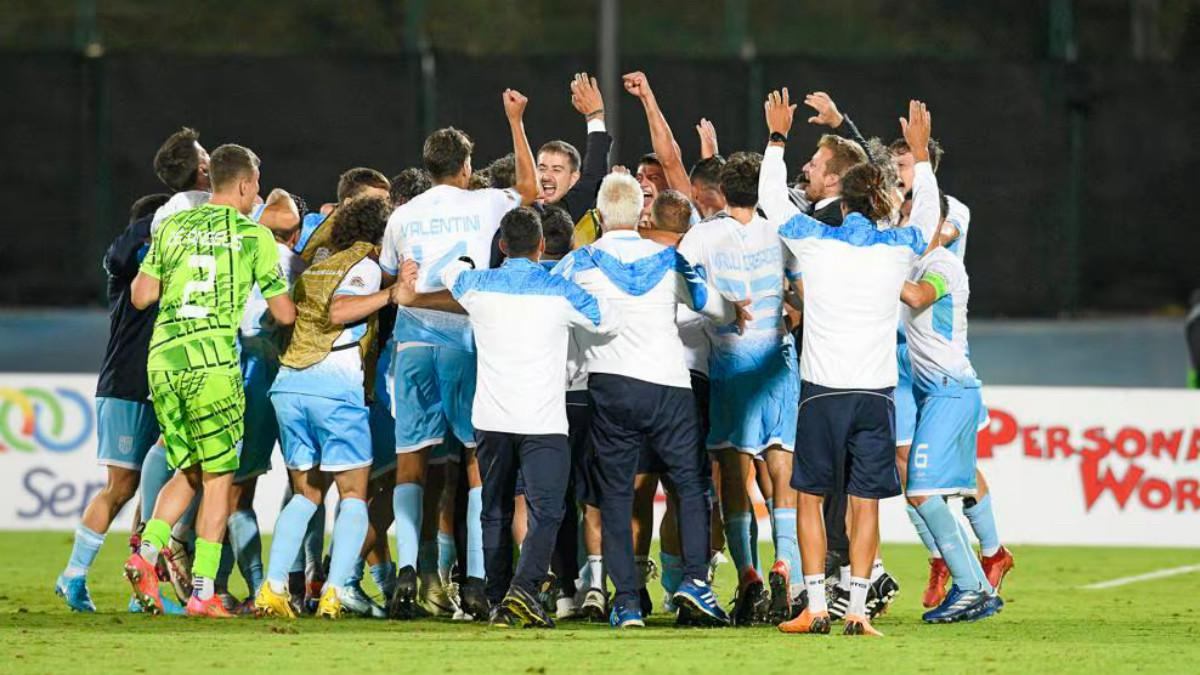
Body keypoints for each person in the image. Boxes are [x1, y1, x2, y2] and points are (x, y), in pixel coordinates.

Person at [394, 206, 622, 628]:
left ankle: (500, 599)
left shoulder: (477, 286)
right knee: (548, 510)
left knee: (494, 509)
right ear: (540, 247)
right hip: (542, 421)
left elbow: (450, 272)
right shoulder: (558, 291)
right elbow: (605, 320)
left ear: (501, 246)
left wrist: (465, 260)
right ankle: (524, 589)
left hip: (492, 420)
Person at [768, 93, 941, 638]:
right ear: (884, 201)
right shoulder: (897, 250)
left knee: (811, 501)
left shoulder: (817, 243)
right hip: (876, 397)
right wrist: (921, 157)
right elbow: (929, 215)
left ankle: (816, 606)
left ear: (842, 202)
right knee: (865, 506)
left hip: (822, 392)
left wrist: (776, 140)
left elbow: (774, 200)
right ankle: (860, 611)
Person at [551, 173, 747, 629]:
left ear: (599, 217)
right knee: (691, 486)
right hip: (669, 386)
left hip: (611, 388)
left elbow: (545, 303)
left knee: (616, 495)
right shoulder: (668, 259)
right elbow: (711, 305)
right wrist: (737, 309)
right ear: (640, 213)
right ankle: (696, 582)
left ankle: (626, 603)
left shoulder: (579, 263)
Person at [378, 88, 538, 620]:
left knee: (411, 464)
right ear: (467, 167)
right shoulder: (485, 202)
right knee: (474, 461)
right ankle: (472, 582)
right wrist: (515, 122)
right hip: (466, 338)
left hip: (413, 340)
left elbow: (389, 273)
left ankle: (406, 575)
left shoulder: (402, 215)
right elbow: (532, 190)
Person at [125, 144, 296, 617]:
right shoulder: (252, 235)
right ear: (243, 185)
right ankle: (203, 591)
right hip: (211, 366)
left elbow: (142, 296)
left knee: (189, 469)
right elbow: (282, 312)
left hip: (163, 361)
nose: (256, 195)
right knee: (220, 479)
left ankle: (145, 550)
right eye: (256, 187)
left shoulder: (173, 225)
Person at [254, 196, 394, 619]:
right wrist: (391, 295)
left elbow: (272, 321)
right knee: (354, 492)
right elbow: (340, 310)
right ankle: (335, 590)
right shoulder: (365, 267)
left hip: (290, 386)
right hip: (333, 387)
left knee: (307, 493)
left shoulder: (316, 267)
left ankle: (273, 587)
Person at [678, 152, 802, 626]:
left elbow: (682, 287)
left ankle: (748, 573)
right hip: (778, 360)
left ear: (724, 193)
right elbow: (799, 292)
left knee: (734, 474)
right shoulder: (781, 232)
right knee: (781, 462)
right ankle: (785, 564)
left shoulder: (702, 236)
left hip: (730, 364)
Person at [55, 193, 179, 614]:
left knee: (154, 490)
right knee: (121, 487)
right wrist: (154, 223)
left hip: (164, 383)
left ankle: (141, 589)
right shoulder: (129, 262)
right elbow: (124, 251)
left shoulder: (169, 264)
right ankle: (72, 574)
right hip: (126, 384)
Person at [896, 193, 1004, 624]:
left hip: (950, 390)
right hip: (937, 391)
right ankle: (975, 582)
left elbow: (919, 298)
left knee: (921, 491)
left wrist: (876, 268)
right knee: (930, 490)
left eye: (909, 215)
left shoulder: (941, 265)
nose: (903, 224)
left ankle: (973, 585)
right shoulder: (914, 262)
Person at [296, 168, 391, 264]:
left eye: (387, 200)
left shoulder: (387, 231)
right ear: (349, 203)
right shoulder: (311, 230)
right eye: (375, 202)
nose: (385, 207)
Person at [149, 127, 212, 233]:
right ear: (203, 170)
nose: (211, 158)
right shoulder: (224, 209)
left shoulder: (160, 218)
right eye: (205, 154)